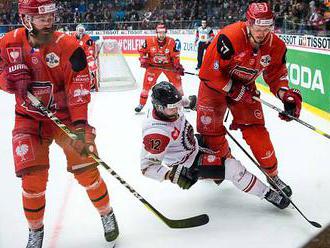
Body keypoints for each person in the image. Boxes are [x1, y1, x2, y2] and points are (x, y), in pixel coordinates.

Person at [0, 1, 119, 247]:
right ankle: (35, 230)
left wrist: (80, 125)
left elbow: (79, 85)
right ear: (26, 19)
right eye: (41, 18)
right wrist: (8, 80)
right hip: (29, 120)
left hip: (65, 119)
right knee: (32, 180)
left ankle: (106, 213)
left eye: (50, 17)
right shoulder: (8, 43)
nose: (48, 22)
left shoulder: (68, 46)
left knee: (87, 170)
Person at [197, 2, 303, 197]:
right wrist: (232, 88)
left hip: (245, 89)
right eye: (258, 28)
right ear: (248, 23)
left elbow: (276, 74)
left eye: (267, 28)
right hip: (214, 87)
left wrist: (285, 95)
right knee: (211, 133)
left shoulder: (276, 46)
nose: (262, 33)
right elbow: (207, 72)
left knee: (257, 131)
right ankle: (226, 162)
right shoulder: (229, 37)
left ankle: (272, 175)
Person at [140, 81, 290, 210]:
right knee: (233, 168)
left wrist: (193, 103)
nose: (177, 109)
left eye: (178, 104)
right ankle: (267, 194)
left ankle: (215, 175)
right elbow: (147, 167)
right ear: (159, 107)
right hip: (187, 163)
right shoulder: (156, 133)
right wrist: (171, 175)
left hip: (193, 144)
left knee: (220, 146)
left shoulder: (169, 108)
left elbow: (182, 102)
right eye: (173, 107)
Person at [135, 23, 196, 113]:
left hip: (168, 66)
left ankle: (183, 102)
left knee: (178, 83)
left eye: (163, 33)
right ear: (156, 33)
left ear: (166, 32)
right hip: (153, 66)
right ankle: (141, 103)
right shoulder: (149, 41)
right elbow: (142, 51)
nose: (161, 35)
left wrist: (177, 66)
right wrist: (143, 59)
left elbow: (175, 56)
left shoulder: (171, 42)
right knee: (146, 85)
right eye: (159, 33)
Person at [71, 24, 98, 91]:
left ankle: (92, 82)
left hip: (84, 57)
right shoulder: (71, 37)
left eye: (82, 30)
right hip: (75, 57)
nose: (81, 32)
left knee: (91, 63)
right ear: (76, 30)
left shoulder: (88, 39)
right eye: (79, 30)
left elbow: (90, 51)